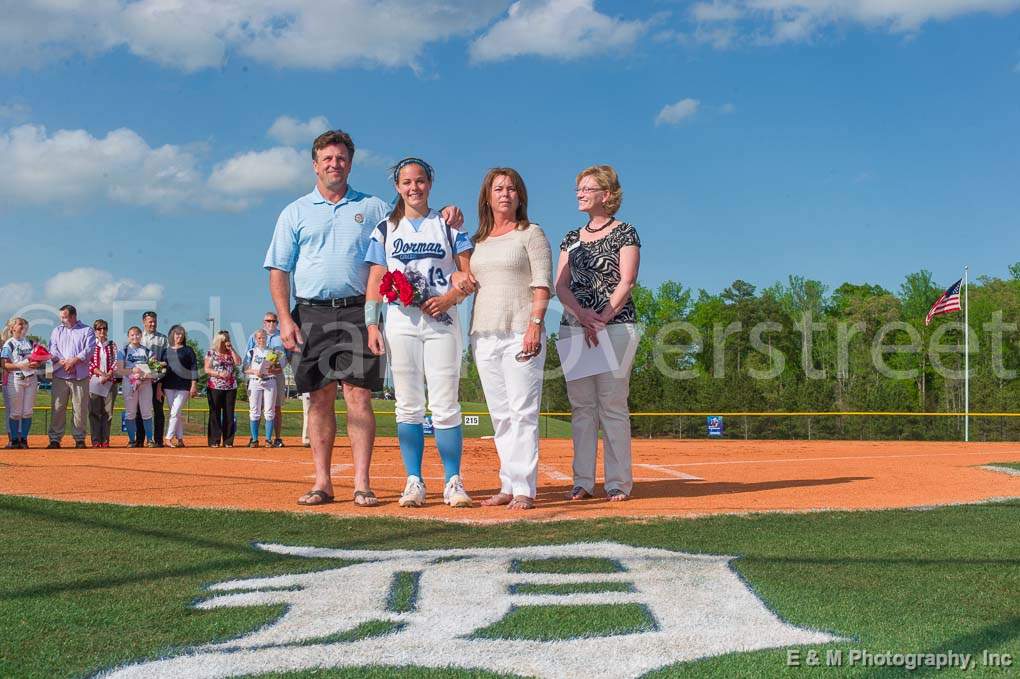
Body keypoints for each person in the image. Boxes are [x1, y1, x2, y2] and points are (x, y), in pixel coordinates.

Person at [264, 129, 464, 507]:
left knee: (358, 397)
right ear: (315, 164)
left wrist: (450, 211)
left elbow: (416, 210)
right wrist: (284, 319)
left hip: (358, 311)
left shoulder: (373, 207)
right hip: (310, 312)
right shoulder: (294, 212)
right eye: (327, 158)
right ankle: (322, 482)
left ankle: (361, 483)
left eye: (341, 158)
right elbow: (278, 269)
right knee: (319, 399)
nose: (334, 164)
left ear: (350, 164)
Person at [365, 157, 475, 509]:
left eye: (421, 181)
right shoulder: (384, 229)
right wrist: (371, 323)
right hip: (401, 323)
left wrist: (449, 298)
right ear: (397, 187)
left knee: (445, 404)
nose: (414, 188)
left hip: (442, 321)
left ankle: (452, 481)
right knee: (408, 405)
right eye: (407, 182)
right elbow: (375, 279)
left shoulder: (447, 226)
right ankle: (414, 480)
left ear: (430, 183)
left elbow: (468, 276)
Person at [555, 165, 641, 502]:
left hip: (615, 326)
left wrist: (602, 318)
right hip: (575, 328)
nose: (579, 193)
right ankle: (583, 482)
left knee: (613, 405)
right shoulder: (570, 238)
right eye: (578, 188)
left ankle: (618, 483)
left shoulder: (625, 232)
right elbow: (560, 285)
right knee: (582, 408)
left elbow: (627, 280)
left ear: (606, 195)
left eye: (587, 188)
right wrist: (582, 316)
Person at [468, 168, 552, 510]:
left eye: (512, 189)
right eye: (498, 188)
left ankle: (524, 489)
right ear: (487, 196)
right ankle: (507, 483)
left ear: (520, 197)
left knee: (523, 412)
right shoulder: (477, 242)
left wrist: (534, 324)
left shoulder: (530, 234)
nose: (505, 194)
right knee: (501, 416)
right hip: (483, 334)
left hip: (521, 330)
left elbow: (542, 284)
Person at [47, 305, 96, 448]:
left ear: (74, 316)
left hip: (80, 376)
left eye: (65, 317)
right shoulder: (57, 331)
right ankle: (55, 439)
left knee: (80, 409)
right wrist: (63, 362)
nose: (62, 319)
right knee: (57, 408)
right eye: (61, 317)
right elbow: (52, 348)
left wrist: (74, 360)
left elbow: (90, 349)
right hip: (60, 375)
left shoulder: (87, 330)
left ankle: (79, 439)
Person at [246, 312, 288, 447]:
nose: (271, 323)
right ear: (264, 322)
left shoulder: (282, 336)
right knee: (256, 409)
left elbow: (286, 357)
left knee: (275, 407)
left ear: (277, 322)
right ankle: (254, 438)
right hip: (256, 378)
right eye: (268, 321)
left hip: (275, 376)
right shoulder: (254, 336)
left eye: (273, 321)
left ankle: (275, 438)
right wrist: (254, 371)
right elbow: (247, 362)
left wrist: (276, 369)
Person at [1, 317, 41, 449]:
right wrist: (21, 365)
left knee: (27, 411)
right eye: (19, 324)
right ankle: (14, 440)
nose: (22, 326)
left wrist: (37, 363)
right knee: (16, 412)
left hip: (31, 378)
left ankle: (23, 439)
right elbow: (5, 365)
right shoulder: (9, 344)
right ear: (12, 328)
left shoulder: (30, 342)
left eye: (24, 324)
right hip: (16, 379)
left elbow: (39, 359)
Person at [116, 326, 156, 448]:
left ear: (141, 336)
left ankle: (150, 440)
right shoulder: (123, 351)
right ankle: (131, 440)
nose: (135, 337)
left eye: (137, 334)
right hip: (129, 383)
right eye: (132, 335)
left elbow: (154, 370)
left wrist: (143, 375)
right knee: (130, 412)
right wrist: (133, 372)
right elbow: (120, 371)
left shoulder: (148, 351)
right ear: (128, 337)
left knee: (146, 412)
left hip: (145, 383)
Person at [162, 324, 198, 448]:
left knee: (175, 411)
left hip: (184, 385)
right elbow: (161, 370)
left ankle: (168, 438)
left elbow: (194, 367)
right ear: (172, 335)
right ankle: (180, 439)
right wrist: (158, 387)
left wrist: (194, 384)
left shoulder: (188, 350)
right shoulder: (166, 351)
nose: (179, 336)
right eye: (177, 334)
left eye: (181, 334)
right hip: (168, 385)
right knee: (175, 413)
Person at [138, 311, 169, 447]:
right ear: (144, 322)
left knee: (158, 411)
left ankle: (158, 440)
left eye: (154, 321)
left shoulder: (163, 339)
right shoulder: (137, 337)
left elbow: (166, 362)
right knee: (140, 411)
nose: (153, 324)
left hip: (157, 381)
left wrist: (160, 384)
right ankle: (139, 440)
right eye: (150, 321)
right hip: (141, 381)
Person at [205, 330, 240, 448]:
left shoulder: (230, 353)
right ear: (219, 341)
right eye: (224, 341)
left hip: (230, 387)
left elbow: (238, 362)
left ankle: (228, 441)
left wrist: (232, 349)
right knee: (214, 413)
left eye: (228, 340)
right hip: (215, 386)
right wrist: (219, 373)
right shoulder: (211, 353)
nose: (226, 343)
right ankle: (214, 440)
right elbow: (207, 369)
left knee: (229, 414)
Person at [243, 329, 278, 447]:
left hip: (270, 381)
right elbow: (245, 368)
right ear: (255, 339)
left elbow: (279, 369)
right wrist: (254, 371)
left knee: (269, 411)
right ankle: (254, 439)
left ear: (266, 338)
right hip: (255, 381)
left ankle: (268, 440)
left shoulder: (272, 352)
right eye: (259, 338)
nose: (261, 340)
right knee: (254, 411)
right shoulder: (251, 352)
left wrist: (270, 370)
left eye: (263, 337)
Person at [88, 319, 118, 448]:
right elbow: (88, 362)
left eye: (104, 328)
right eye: (99, 329)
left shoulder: (112, 345)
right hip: (94, 381)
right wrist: (100, 373)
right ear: (95, 331)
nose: (102, 331)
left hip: (109, 382)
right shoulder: (90, 345)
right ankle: (95, 440)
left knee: (108, 412)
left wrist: (109, 374)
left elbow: (116, 361)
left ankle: (105, 440)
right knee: (94, 412)